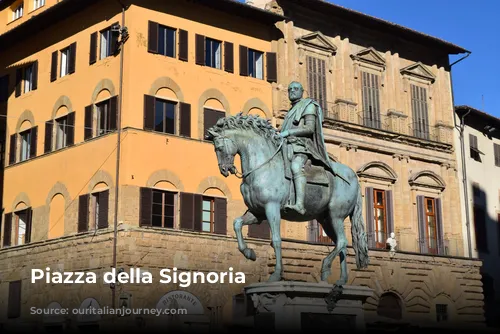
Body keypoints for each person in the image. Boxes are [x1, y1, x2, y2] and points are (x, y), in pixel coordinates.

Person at [279, 81, 344, 215]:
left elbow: (309, 128)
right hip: (287, 145)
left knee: (296, 166)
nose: (292, 91)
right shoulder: (290, 111)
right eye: (290, 89)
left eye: (295, 89)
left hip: (302, 147)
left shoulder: (308, 106)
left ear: (302, 91)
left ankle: (300, 205)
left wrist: (288, 132)